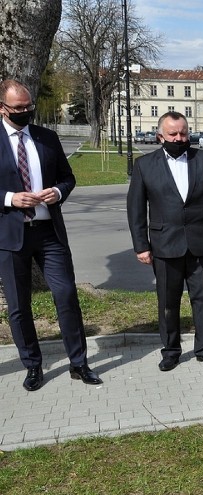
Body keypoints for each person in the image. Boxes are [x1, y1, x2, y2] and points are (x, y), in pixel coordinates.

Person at [0, 79, 101, 391]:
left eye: (28, 106)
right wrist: (10, 199)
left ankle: (79, 363)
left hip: (48, 233)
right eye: (18, 108)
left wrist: (58, 191)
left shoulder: (46, 137)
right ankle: (33, 365)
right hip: (10, 235)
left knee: (66, 295)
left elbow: (67, 178)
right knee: (19, 306)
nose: (26, 112)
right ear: (3, 108)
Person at [126, 111, 203, 371]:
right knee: (168, 302)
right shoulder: (144, 165)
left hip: (202, 243)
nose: (179, 138)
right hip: (164, 245)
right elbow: (136, 209)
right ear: (160, 136)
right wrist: (141, 245)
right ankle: (171, 350)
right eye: (172, 134)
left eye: (183, 133)